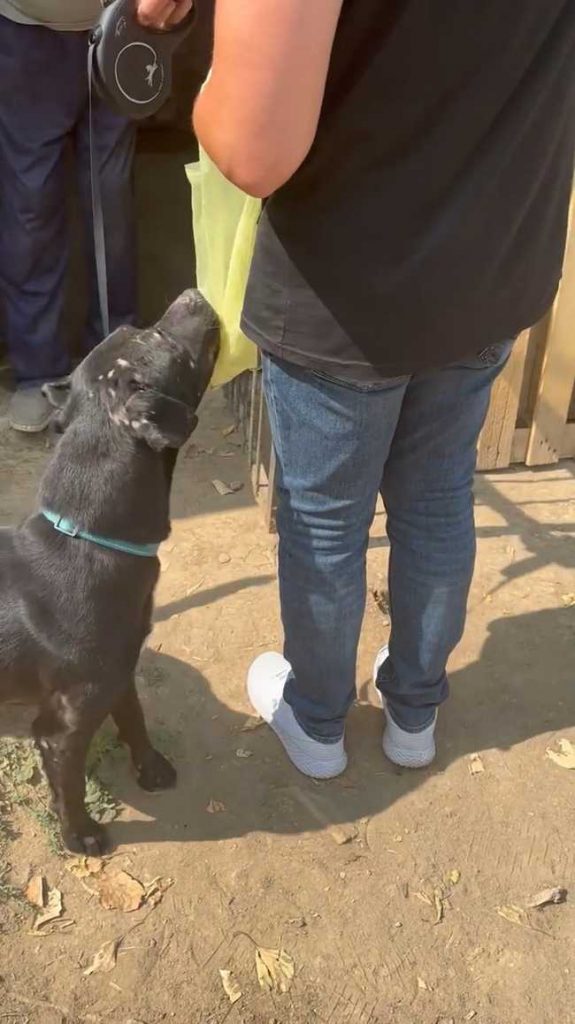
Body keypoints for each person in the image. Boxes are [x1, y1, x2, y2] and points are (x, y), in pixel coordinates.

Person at [140, 0, 575, 779]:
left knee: (325, 519)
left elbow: (250, 148)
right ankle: (414, 710)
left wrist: (205, 64)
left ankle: (316, 720)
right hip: (492, 260)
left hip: (345, 284)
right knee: (436, 495)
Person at [0, 2, 137, 433]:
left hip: (121, 24)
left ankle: (114, 359)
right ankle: (38, 370)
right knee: (31, 204)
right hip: (27, 28)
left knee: (110, 199)